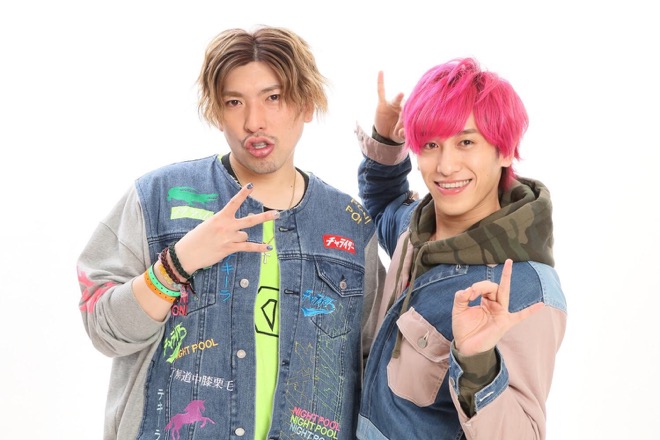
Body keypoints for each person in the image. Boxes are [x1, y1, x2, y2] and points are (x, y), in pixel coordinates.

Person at [77, 26, 383, 440]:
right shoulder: (159, 198)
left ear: (307, 103)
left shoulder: (349, 224)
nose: (254, 122)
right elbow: (104, 330)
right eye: (234, 102)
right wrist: (176, 265)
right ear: (217, 112)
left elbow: (375, 368)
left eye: (273, 98)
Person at [353, 58, 567, 439]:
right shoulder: (416, 228)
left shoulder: (525, 288)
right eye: (431, 144)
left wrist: (478, 364)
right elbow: (383, 207)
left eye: (466, 142)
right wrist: (387, 140)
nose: (446, 166)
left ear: (504, 151)